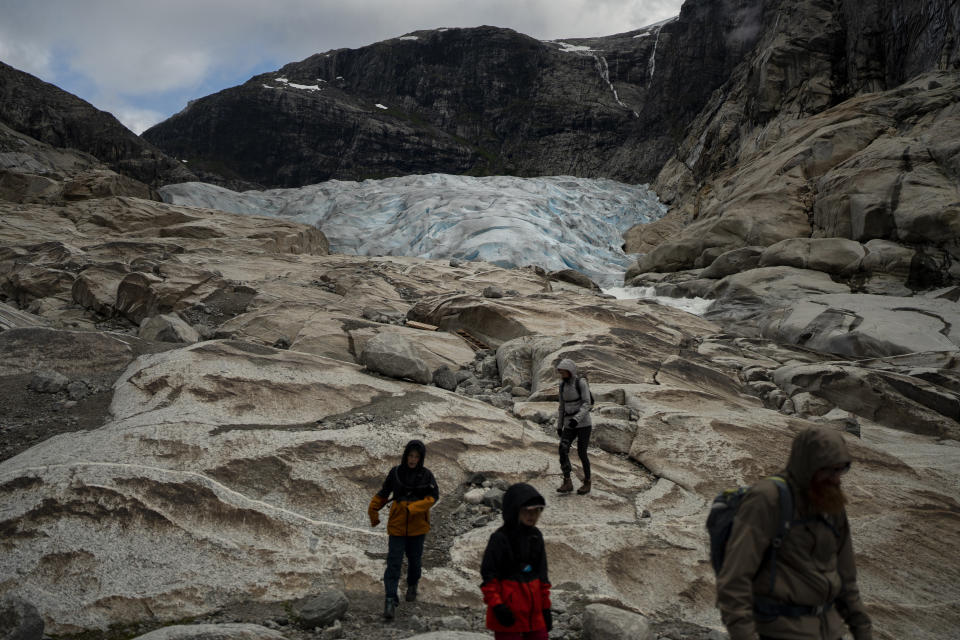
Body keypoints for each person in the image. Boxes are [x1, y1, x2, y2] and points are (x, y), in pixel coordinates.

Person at [716, 426, 873, 640]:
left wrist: (862, 630)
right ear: (808, 466)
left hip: (830, 631)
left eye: (840, 470)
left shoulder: (831, 504)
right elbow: (734, 581)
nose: (836, 479)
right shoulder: (768, 499)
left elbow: (846, 579)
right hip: (781, 631)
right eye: (829, 470)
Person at [368, 439, 439, 620]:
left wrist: (415, 508)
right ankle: (390, 600)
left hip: (418, 527)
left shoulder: (426, 475)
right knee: (393, 563)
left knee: (415, 561)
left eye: (416, 457)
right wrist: (373, 509)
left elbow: (433, 497)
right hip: (397, 526)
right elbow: (385, 493)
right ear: (405, 455)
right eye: (410, 456)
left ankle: (413, 583)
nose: (413, 460)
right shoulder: (396, 473)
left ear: (421, 458)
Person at [480, 483, 552, 640]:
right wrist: (498, 606)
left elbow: (542, 575)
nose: (532, 515)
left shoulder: (536, 536)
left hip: (534, 612)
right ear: (515, 510)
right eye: (527, 510)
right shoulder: (500, 539)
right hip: (508, 612)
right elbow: (489, 576)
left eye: (536, 511)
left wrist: (545, 608)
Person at [555, 358, 593, 494]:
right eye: (561, 373)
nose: (562, 375)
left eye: (564, 372)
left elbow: (587, 403)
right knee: (562, 449)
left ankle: (587, 482)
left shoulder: (581, 383)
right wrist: (559, 426)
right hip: (568, 424)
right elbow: (562, 407)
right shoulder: (562, 386)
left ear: (570, 371)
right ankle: (567, 481)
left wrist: (576, 419)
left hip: (583, 424)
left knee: (582, 453)